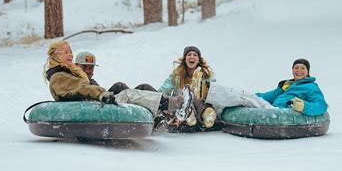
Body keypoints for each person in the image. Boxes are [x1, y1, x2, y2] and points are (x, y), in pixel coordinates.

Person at [44, 41, 192, 122]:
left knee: (135, 87)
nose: (70, 54)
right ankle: (174, 104)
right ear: (55, 56)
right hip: (90, 107)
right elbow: (82, 89)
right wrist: (102, 94)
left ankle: (161, 113)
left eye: (70, 51)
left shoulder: (68, 73)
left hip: (91, 102)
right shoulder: (59, 76)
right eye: (65, 52)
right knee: (127, 94)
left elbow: (83, 88)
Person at [158, 46, 217, 128]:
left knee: (194, 94)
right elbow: (165, 88)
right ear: (185, 59)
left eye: (195, 55)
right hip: (181, 104)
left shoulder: (206, 75)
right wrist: (158, 97)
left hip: (200, 104)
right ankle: (189, 113)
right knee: (183, 92)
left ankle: (207, 114)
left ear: (198, 60)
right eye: (189, 54)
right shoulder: (176, 75)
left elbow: (214, 90)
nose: (192, 56)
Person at [254, 58, 328, 116]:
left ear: (307, 72)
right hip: (275, 109)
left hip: (287, 114)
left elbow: (321, 105)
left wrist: (304, 106)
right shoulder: (287, 85)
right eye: (296, 68)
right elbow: (271, 96)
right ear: (292, 70)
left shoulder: (311, 86)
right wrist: (254, 96)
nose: (299, 70)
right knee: (249, 99)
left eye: (303, 68)